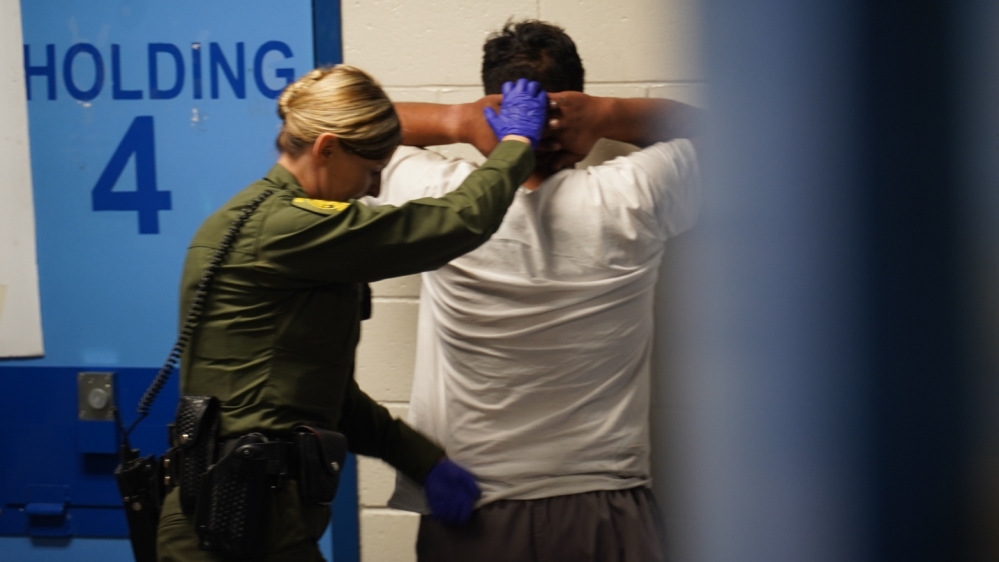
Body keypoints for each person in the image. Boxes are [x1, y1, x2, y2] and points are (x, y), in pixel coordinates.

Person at [155, 65, 548, 561]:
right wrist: (516, 144)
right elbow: (454, 223)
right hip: (235, 520)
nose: (373, 187)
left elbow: (327, 397)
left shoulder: (259, 221)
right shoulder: (286, 228)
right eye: (371, 169)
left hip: (249, 513)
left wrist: (423, 461)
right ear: (327, 149)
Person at [376, 20, 704, 562]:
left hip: (472, 508)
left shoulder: (438, 199)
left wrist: (460, 121)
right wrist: (606, 115)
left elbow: (333, 132)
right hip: (606, 507)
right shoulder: (633, 195)